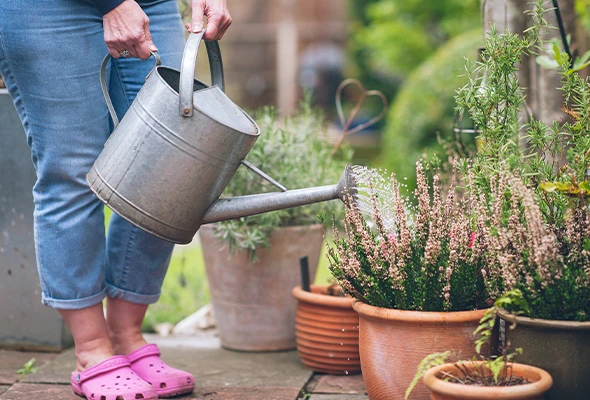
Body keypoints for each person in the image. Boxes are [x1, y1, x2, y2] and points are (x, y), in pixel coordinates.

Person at [0, 0, 231, 398]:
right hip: (46, 9)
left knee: (168, 165)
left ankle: (127, 338)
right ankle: (91, 351)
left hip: (151, 5)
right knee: (74, 171)